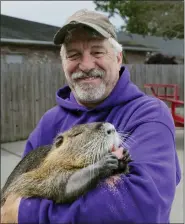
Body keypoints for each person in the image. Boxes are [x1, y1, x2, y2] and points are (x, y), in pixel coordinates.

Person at [1, 9, 181, 223]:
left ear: (118, 57)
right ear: (64, 64)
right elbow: (16, 196)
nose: (85, 65)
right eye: (74, 55)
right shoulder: (50, 121)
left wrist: (27, 214)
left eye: (97, 52)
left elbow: (142, 208)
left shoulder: (149, 114)